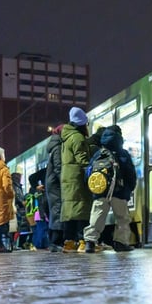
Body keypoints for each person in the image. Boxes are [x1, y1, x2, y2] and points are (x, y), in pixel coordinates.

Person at [82, 124, 137, 253]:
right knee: (122, 218)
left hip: (100, 192)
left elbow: (88, 173)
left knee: (97, 217)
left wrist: (94, 190)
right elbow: (130, 173)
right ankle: (120, 242)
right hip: (119, 192)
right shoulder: (123, 154)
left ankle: (90, 242)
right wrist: (129, 189)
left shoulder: (98, 154)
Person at [59, 106, 94, 252]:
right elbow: (82, 159)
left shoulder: (66, 138)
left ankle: (69, 242)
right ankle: (82, 242)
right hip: (77, 177)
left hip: (67, 177)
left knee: (70, 211)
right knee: (81, 209)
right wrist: (92, 168)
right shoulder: (77, 137)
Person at [44, 125, 64, 251]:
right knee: (57, 210)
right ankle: (55, 242)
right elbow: (58, 167)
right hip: (56, 184)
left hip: (53, 184)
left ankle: (55, 242)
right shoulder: (57, 147)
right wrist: (64, 180)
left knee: (56, 210)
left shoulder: (54, 146)